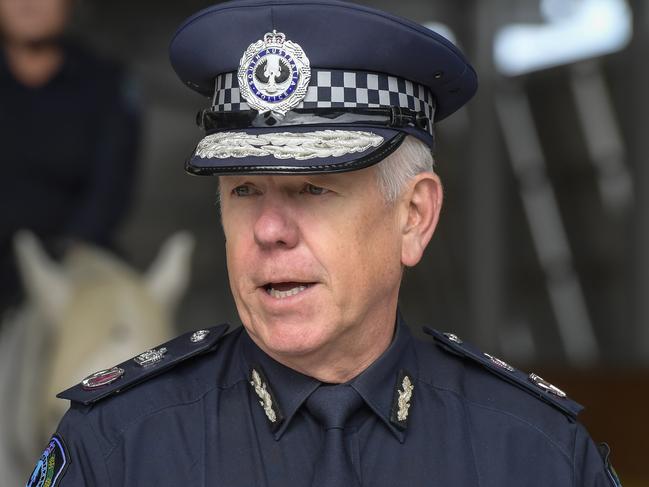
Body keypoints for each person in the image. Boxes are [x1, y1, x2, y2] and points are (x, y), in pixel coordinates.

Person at [26, 0, 621, 486]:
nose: (268, 229)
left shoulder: (536, 454)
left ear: (414, 216)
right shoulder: (117, 447)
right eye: (243, 193)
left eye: (313, 189)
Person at [0, 0, 141, 314]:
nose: (27, 4)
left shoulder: (105, 83)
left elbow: (111, 186)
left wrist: (70, 252)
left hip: (76, 262)